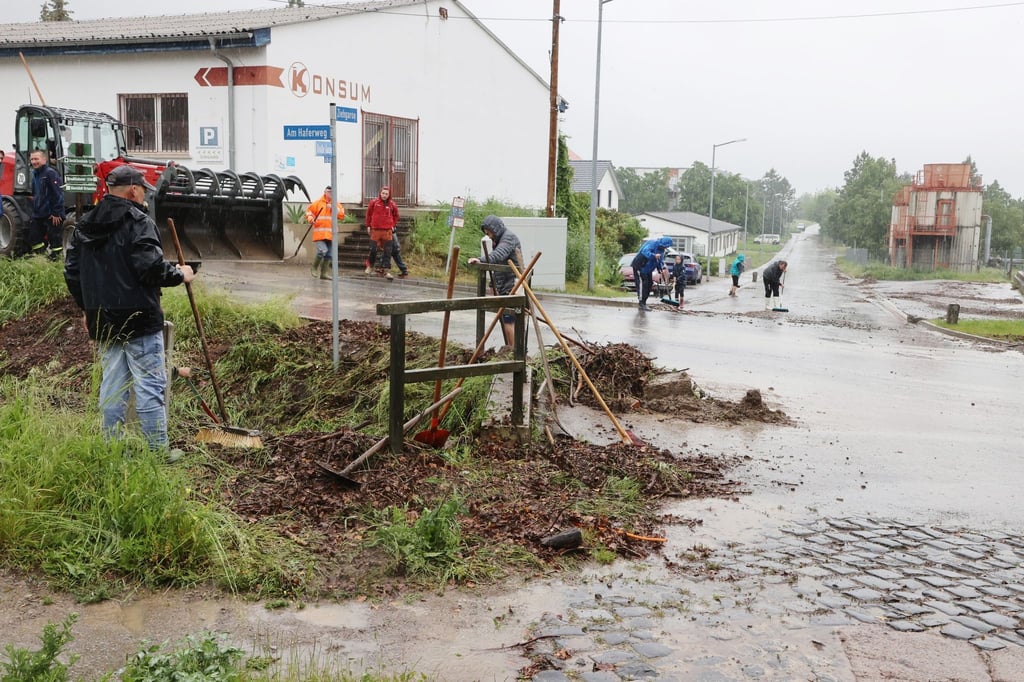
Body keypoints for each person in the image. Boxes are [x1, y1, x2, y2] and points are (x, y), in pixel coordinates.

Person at [63, 164, 195, 454]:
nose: (144, 196)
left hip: (103, 320)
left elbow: (71, 271)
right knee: (150, 385)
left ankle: (112, 447)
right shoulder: (138, 221)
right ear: (134, 190)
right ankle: (158, 452)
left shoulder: (85, 224)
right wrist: (179, 274)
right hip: (139, 318)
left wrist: (86, 308)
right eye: (142, 191)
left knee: (113, 384)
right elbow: (150, 268)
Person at [467, 215, 522, 346]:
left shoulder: (508, 238)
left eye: (488, 231)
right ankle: (512, 349)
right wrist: (493, 283)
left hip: (513, 284)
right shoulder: (498, 239)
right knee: (507, 317)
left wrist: (481, 260)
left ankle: (514, 351)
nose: (487, 234)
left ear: (495, 228)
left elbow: (498, 256)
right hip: (505, 284)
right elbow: (498, 265)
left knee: (509, 319)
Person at [27, 149, 66, 259]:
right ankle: (41, 258)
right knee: (33, 237)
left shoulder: (50, 173)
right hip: (39, 214)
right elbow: (36, 194)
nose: (34, 162)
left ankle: (56, 260)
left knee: (55, 240)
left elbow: (58, 194)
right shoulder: (35, 174)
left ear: (44, 160)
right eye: (32, 159)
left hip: (52, 215)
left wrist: (56, 213)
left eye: (36, 159)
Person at [305, 185, 344, 280]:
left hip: (331, 234)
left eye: (332, 192)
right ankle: (314, 268)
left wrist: (333, 208)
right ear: (325, 192)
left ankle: (324, 274)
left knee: (329, 254)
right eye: (328, 191)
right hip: (320, 234)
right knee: (323, 251)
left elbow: (341, 215)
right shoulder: (317, 203)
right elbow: (308, 212)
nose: (330, 193)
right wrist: (310, 218)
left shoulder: (336, 204)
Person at [365, 186, 399, 279]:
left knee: (388, 251)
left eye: (386, 194)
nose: (384, 195)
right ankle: (370, 266)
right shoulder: (374, 202)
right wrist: (368, 225)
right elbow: (368, 214)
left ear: (389, 195)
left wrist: (393, 225)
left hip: (387, 231)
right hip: (375, 230)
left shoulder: (392, 204)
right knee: (373, 249)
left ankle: (386, 271)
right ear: (380, 193)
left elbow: (396, 215)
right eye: (383, 193)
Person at [631, 236, 672, 311]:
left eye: (666, 247)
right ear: (661, 243)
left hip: (648, 269)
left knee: (649, 284)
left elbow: (660, 260)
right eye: (664, 246)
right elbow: (645, 252)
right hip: (640, 266)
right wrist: (654, 256)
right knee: (642, 284)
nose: (664, 247)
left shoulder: (662, 250)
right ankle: (641, 302)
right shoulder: (652, 243)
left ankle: (644, 301)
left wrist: (660, 268)